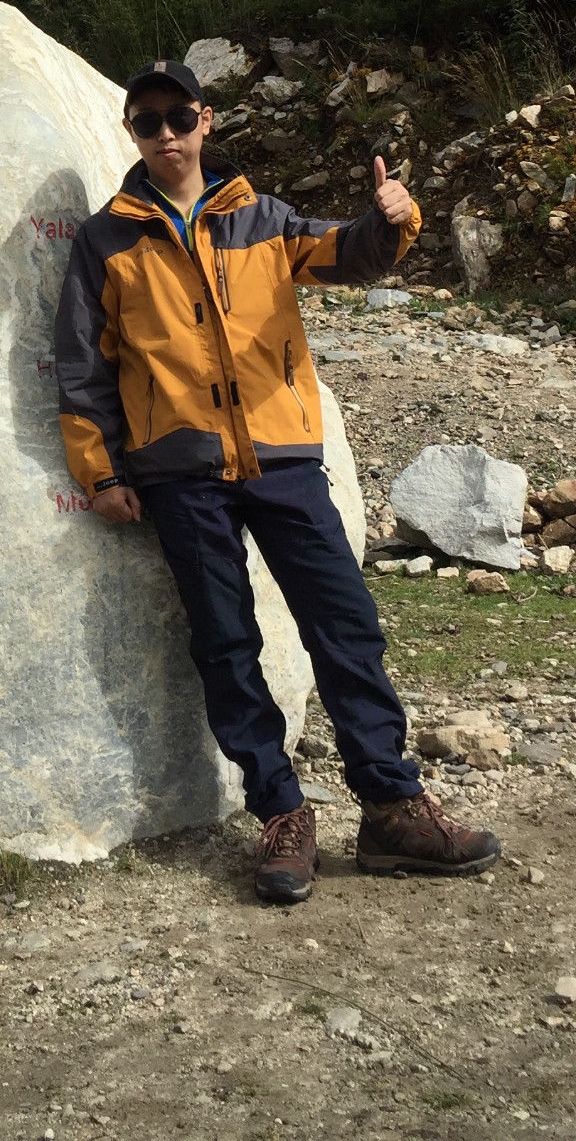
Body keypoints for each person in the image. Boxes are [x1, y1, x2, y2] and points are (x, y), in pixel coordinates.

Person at [55, 58, 501, 904]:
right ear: (131, 133)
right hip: (180, 474)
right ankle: (281, 813)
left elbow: (349, 256)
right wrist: (100, 470)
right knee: (226, 645)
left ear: (206, 120)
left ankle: (393, 808)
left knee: (345, 626)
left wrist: (393, 219)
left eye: (178, 117)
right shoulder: (105, 239)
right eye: (147, 122)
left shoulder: (261, 218)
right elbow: (82, 368)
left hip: (284, 458)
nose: (166, 134)